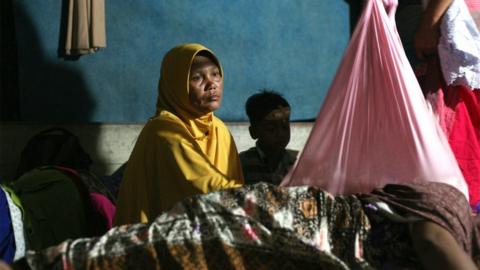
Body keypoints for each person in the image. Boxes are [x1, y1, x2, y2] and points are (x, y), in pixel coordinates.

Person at [7, 181, 479, 269]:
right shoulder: (453, 205)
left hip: (291, 253)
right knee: (152, 252)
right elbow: (433, 237)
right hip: (269, 225)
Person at [114, 43, 244, 225]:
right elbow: (202, 184)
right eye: (197, 78)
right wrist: (259, 201)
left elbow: (233, 188)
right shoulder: (163, 130)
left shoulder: (219, 129)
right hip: (156, 240)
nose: (211, 84)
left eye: (215, 74)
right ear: (177, 86)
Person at [397, 0, 480, 208]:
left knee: (450, 121)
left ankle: (452, 202)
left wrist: (429, 24)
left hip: (441, 27)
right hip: (441, 27)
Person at [239, 90, 298, 185]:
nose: (280, 133)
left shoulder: (296, 164)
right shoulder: (242, 165)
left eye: (285, 127)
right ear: (253, 132)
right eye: (271, 128)